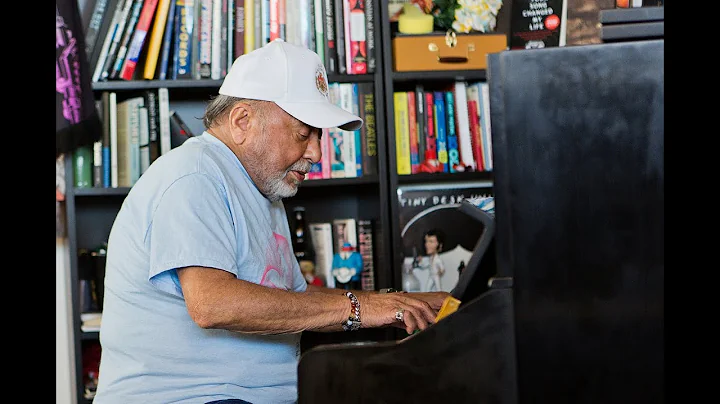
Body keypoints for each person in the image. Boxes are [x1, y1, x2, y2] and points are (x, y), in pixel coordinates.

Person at [92, 39, 450, 404]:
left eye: (318, 135)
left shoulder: (261, 188)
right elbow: (212, 303)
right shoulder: (194, 176)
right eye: (302, 133)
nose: (315, 153)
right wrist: (359, 309)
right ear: (243, 120)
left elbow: (293, 298)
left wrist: (395, 304)